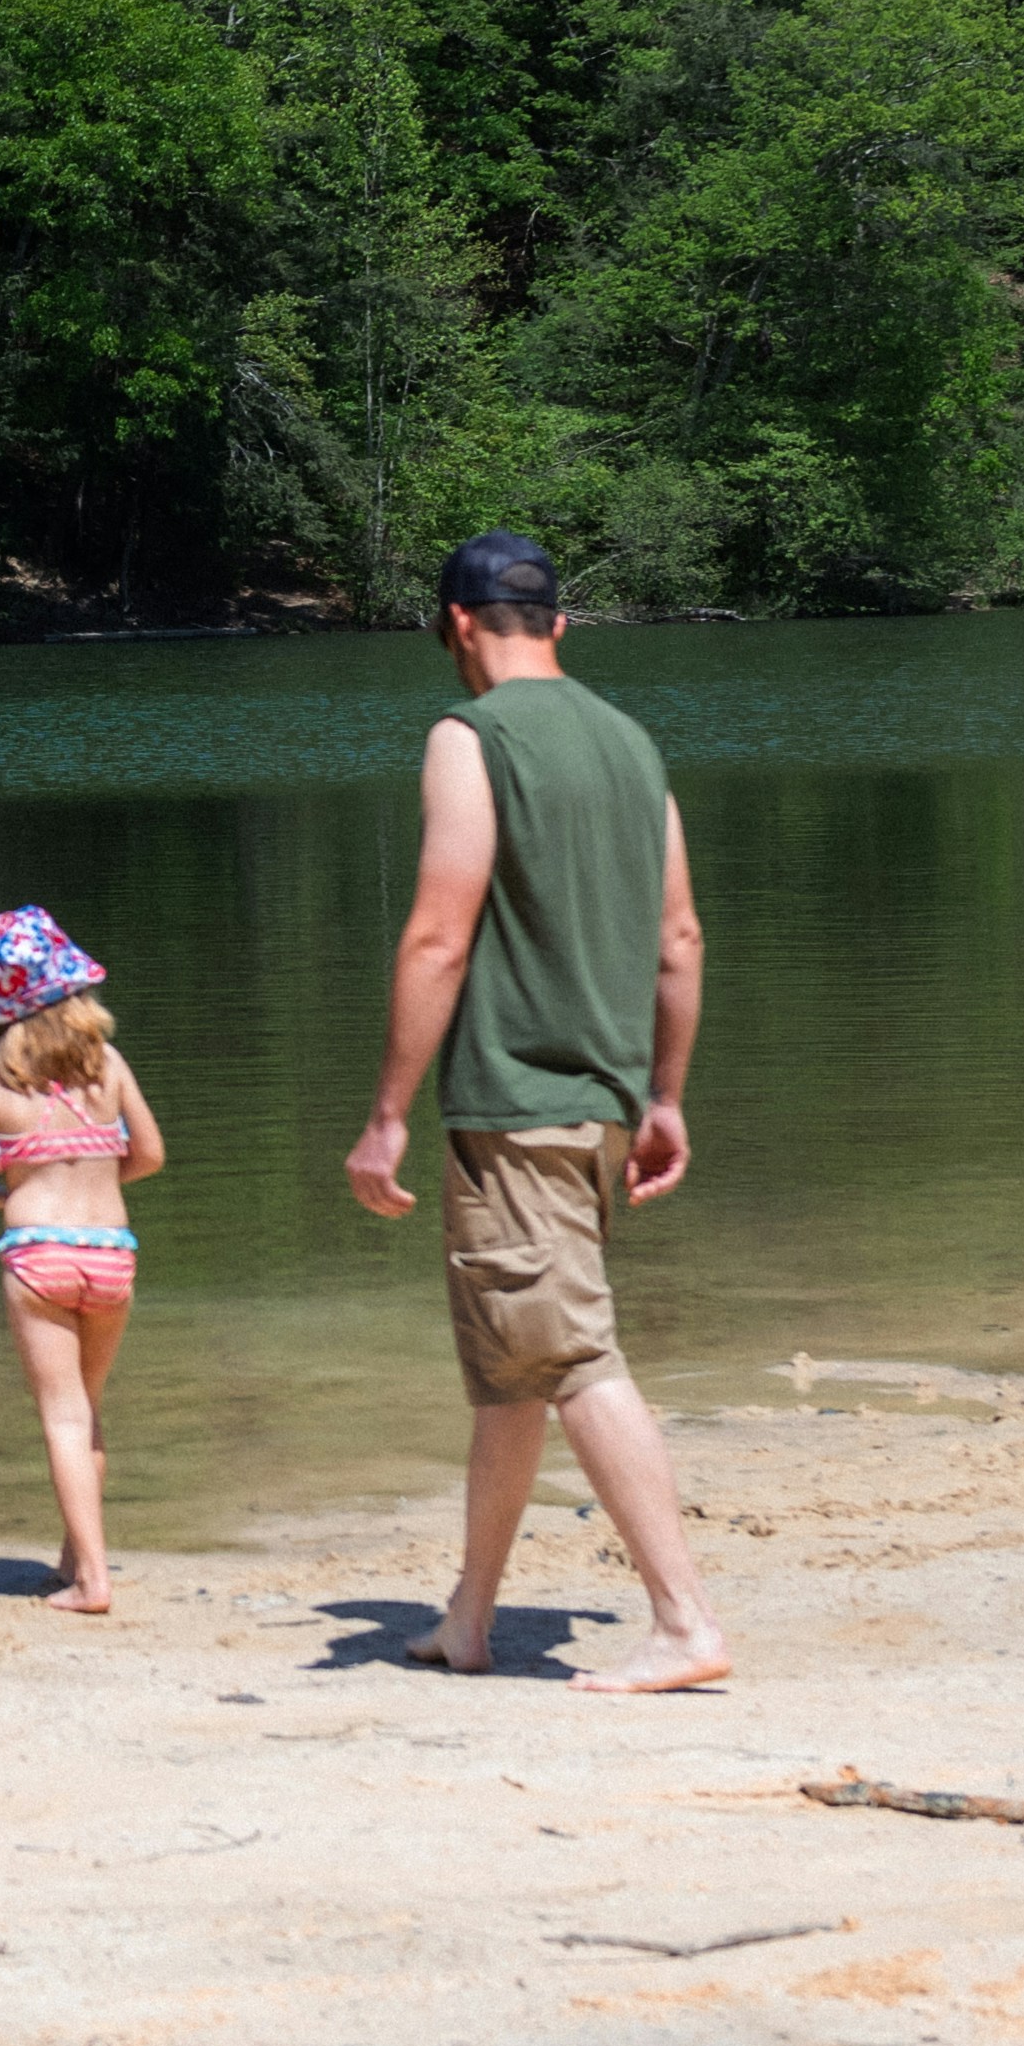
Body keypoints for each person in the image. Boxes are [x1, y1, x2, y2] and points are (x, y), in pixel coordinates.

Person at [336, 533, 730, 1693]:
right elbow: (680, 939)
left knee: (569, 1355)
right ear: (558, 624)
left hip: (516, 1098)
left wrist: (388, 1113)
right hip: (598, 1103)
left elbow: (438, 932)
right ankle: (471, 1617)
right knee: (513, 1365)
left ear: (455, 626)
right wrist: (663, 1097)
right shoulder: (630, 740)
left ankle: (684, 1620)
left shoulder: (472, 737)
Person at [0, 906, 168, 1617]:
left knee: (62, 1417)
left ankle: (92, 1582)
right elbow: (151, 1156)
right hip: (112, 1256)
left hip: (38, 1257)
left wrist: (13, 1190)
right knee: (89, 1408)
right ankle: (76, 1558)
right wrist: (97, 1180)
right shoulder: (109, 1069)